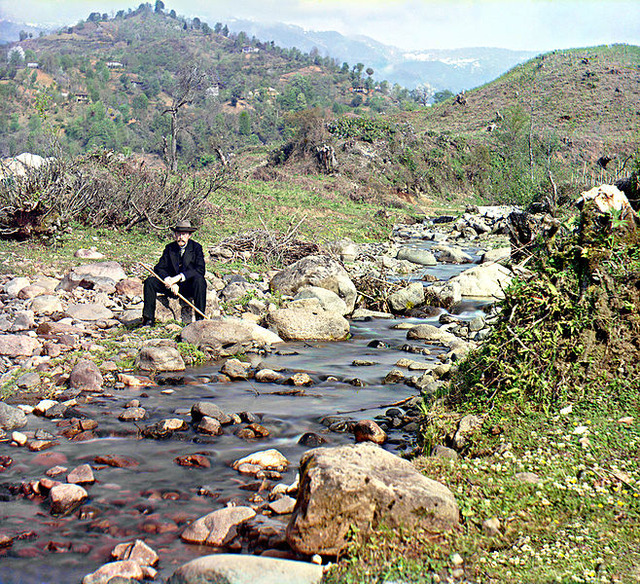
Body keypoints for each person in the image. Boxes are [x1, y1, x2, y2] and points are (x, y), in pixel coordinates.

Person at [142, 220, 206, 326]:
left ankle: (200, 320)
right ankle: (148, 320)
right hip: (170, 286)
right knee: (150, 282)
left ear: (189, 235)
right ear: (175, 234)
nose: (181, 237)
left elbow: (200, 270)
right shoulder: (170, 248)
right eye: (178, 234)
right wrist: (168, 280)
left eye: (184, 234)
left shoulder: (196, 248)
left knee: (200, 281)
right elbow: (159, 268)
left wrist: (179, 278)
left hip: (188, 287)